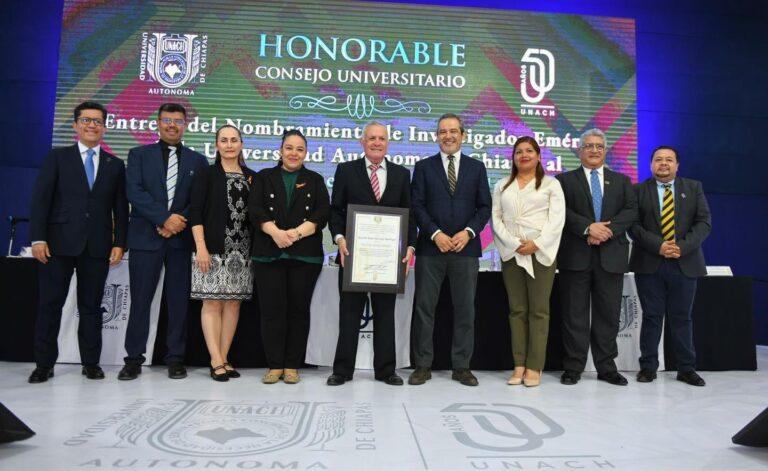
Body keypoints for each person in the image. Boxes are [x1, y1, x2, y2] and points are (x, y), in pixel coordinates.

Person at [28, 101, 128, 383]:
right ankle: (44, 365)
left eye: (98, 121)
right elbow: (41, 200)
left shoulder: (115, 164)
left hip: (97, 247)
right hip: (57, 245)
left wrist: (119, 241)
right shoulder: (58, 158)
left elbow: (120, 208)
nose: (92, 125)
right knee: (50, 305)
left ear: (105, 127)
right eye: (86, 120)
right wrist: (38, 237)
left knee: (92, 307)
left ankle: (91, 363)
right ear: (75, 125)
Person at [119, 103, 208, 381]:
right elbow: (134, 191)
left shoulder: (198, 161)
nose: (172, 125)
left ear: (185, 125)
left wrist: (176, 221)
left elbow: (199, 200)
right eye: (167, 120)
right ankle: (133, 359)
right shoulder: (138, 155)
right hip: (147, 238)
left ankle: (175, 359)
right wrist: (163, 218)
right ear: (157, 123)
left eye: (178, 121)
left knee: (178, 302)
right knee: (141, 301)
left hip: (180, 241)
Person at [326, 121, 416, 386]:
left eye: (382, 139)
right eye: (372, 138)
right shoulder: (346, 170)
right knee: (349, 314)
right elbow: (336, 211)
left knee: (386, 315)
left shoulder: (401, 174)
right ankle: (342, 371)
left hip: (388, 261)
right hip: (353, 257)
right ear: (362, 142)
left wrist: (410, 247)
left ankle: (386, 371)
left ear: (388, 143)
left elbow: (409, 216)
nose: (377, 143)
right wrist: (339, 239)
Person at [409, 113, 491, 387]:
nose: (448, 136)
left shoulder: (477, 168)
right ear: (436, 137)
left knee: (465, 309)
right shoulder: (423, 167)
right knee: (424, 308)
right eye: (443, 131)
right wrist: (435, 233)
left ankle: (462, 366)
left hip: (465, 250)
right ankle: (422, 365)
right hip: (431, 249)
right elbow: (417, 205)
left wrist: (468, 233)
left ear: (463, 135)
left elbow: (484, 207)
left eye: (453, 131)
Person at [556, 128, 637, 386]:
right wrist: (589, 228)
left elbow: (631, 211)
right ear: (579, 150)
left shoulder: (622, 181)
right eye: (588, 146)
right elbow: (561, 212)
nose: (594, 150)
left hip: (610, 256)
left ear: (605, 151)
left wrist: (607, 231)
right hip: (575, 256)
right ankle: (573, 367)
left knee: (608, 315)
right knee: (574, 314)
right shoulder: (563, 181)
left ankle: (606, 367)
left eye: (599, 146)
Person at [249, 130, 330, 384]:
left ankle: (292, 365)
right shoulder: (264, 177)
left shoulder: (315, 180)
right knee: (272, 312)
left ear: (306, 153)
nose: (293, 153)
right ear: (280, 151)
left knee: (298, 312)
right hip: (268, 255)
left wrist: (293, 234)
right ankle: (274, 365)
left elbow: (321, 214)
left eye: (299, 149)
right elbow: (255, 209)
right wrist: (275, 233)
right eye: (289, 148)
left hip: (304, 258)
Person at [630, 146, 711, 386]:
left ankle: (686, 368)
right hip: (650, 263)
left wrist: (681, 247)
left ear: (677, 165)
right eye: (658, 160)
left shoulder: (693, 188)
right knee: (652, 317)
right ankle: (648, 368)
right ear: (650, 164)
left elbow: (704, 223)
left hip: (684, 262)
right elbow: (633, 226)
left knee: (682, 318)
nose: (663, 164)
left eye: (668, 160)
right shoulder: (637, 191)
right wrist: (659, 246)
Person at [491, 136, 565, 387]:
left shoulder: (551, 185)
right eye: (519, 152)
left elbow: (557, 221)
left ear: (538, 156)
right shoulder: (502, 185)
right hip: (513, 254)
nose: (524, 155)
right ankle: (519, 364)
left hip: (541, 254)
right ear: (513, 158)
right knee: (517, 310)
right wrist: (514, 243)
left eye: (529, 151)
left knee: (539, 311)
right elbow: (496, 218)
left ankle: (535, 366)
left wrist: (537, 244)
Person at [189, 125, 256, 382]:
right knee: (212, 302)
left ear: (241, 144)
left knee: (233, 303)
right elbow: (195, 212)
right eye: (224, 140)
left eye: (234, 140)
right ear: (216, 145)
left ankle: (225, 357)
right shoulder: (206, 175)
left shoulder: (252, 177)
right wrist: (201, 247)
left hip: (242, 253)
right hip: (211, 251)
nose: (229, 145)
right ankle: (215, 359)